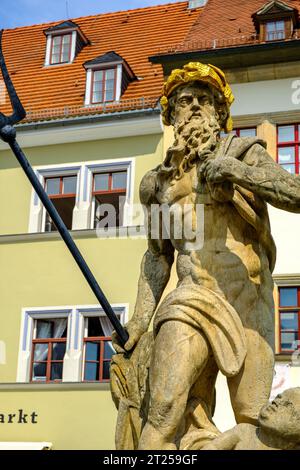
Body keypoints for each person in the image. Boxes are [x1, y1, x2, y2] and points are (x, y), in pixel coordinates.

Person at [112, 63, 300, 450]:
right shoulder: (158, 183)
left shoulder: (243, 152)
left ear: (219, 111)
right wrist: (140, 320)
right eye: (184, 101)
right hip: (191, 297)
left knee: (253, 420)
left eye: (204, 100)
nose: (195, 107)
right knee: (163, 410)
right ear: (172, 114)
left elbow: (294, 193)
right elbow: (157, 256)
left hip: (248, 299)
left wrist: (236, 172)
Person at [201, 388, 300, 450]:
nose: (277, 402)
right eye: (279, 397)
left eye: (288, 405)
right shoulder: (244, 432)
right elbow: (213, 447)